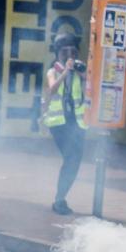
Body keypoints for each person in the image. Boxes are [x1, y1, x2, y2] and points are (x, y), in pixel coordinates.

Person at [42, 33, 88, 215]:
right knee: (70, 158)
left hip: (77, 122)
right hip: (58, 123)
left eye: (73, 52)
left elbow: (87, 94)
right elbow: (52, 89)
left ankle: (61, 198)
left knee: (75, 161)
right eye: (65, 52)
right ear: (57, 53)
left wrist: (83, 76)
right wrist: (65, 72)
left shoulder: (79, 71)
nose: (70, 56)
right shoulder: (53, 71)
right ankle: (59, 200)